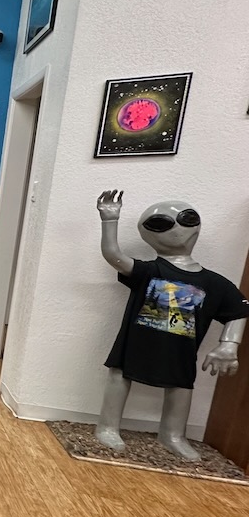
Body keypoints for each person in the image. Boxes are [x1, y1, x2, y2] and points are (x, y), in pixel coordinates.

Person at [94, 189, 248, 459]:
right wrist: (109, 220)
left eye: (187, 219)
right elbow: (114, 255)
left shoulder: (215, 283)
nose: (177, 228)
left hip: (181, 347)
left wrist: (229, 344)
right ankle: (107, 426)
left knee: (181, 385)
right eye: (162, 224)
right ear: (148, 233)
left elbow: (238, 310)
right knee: (120, 375)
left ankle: (173, 434)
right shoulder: (150, 271)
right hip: (138, 339)